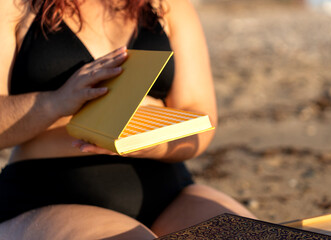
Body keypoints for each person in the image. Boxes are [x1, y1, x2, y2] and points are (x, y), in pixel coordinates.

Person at [0, 0, 255, 239]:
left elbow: (199, 115)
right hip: (48, 193)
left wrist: (149, 142)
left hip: (167, 191)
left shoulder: (166, 5)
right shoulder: (15, 6)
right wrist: (55, 102)